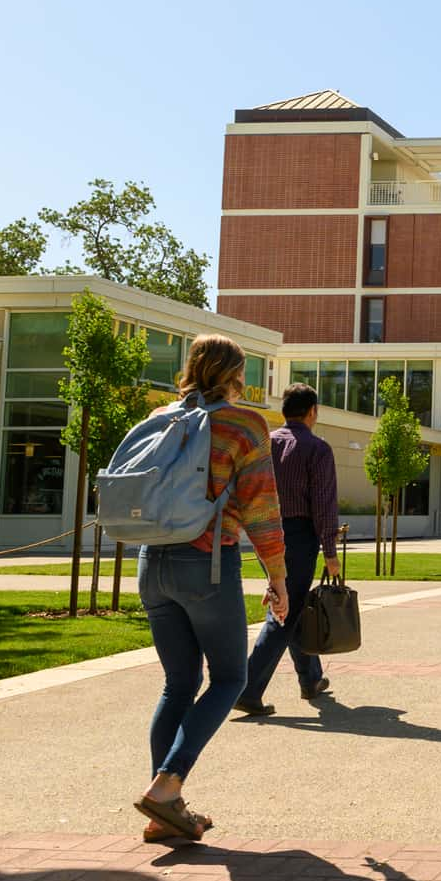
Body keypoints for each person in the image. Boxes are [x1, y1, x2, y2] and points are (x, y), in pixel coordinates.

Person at [132, 335, 287, 844]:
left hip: (151, 562)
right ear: (236, 373)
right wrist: (278, 578)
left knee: (178, 682)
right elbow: (261, 509)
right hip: (207, 563)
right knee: (229, 678)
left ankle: (166, 811)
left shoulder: (164, 416)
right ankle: (166, 785)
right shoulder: (244, 424)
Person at [235, 383, 337, 718]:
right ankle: (248, 689)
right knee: (284, 611)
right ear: (312, 411)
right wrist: (331, 552)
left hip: (265, 531)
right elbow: (323, 504)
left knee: (288, 603)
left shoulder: (265, 444)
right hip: (299, 535)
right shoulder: (317, 449)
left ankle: (311, 678)